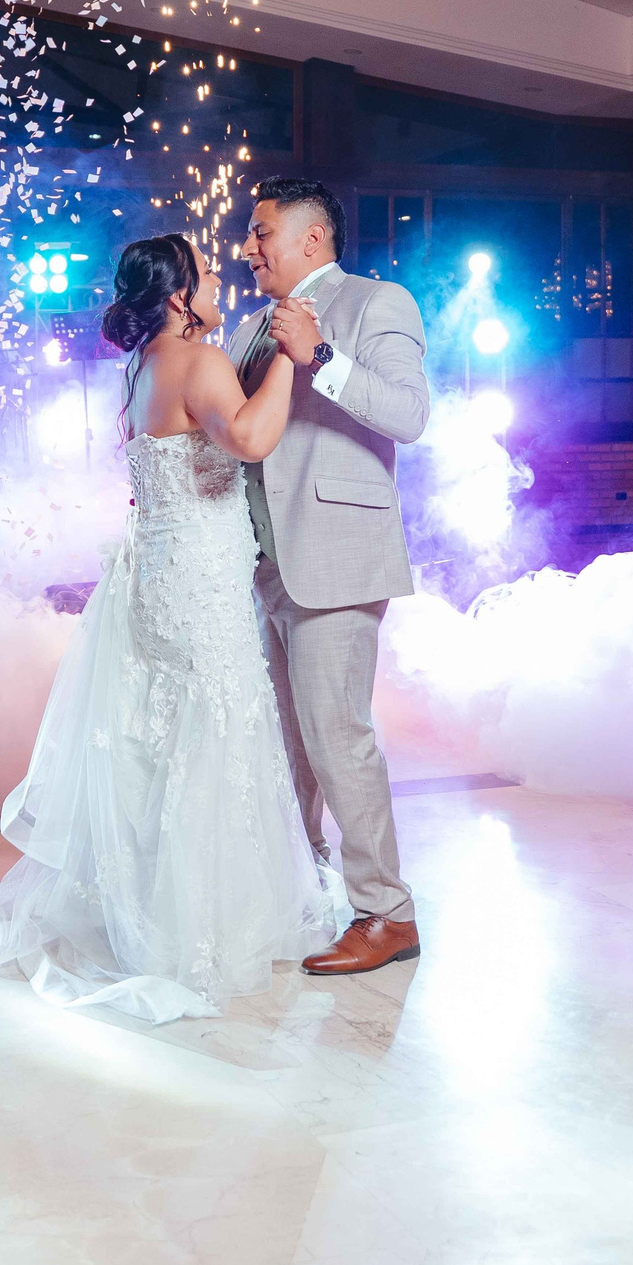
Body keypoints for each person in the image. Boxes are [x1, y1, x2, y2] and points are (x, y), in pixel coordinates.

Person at [0, 234, 345, 1021]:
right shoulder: (198, 359)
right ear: (179, 294)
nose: (218, 282)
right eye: (207, 274)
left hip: (156, 580)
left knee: (166, 743)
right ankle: (205, 930)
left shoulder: (141, 364)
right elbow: (247, 438)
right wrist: (288, 355)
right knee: (215, 738)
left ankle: (155, 914)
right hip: (202, 585)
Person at [229, 178, 431, 978]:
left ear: (312, 239)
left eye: (261, 232)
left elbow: (410, 416)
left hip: (338, 556)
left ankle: (387, 913)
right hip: (262, 564)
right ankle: (305, 890)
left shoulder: (378, 303)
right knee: (287, 746)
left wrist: (320, 354)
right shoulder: (250, 327)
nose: (249, 248)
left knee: (336, 738)